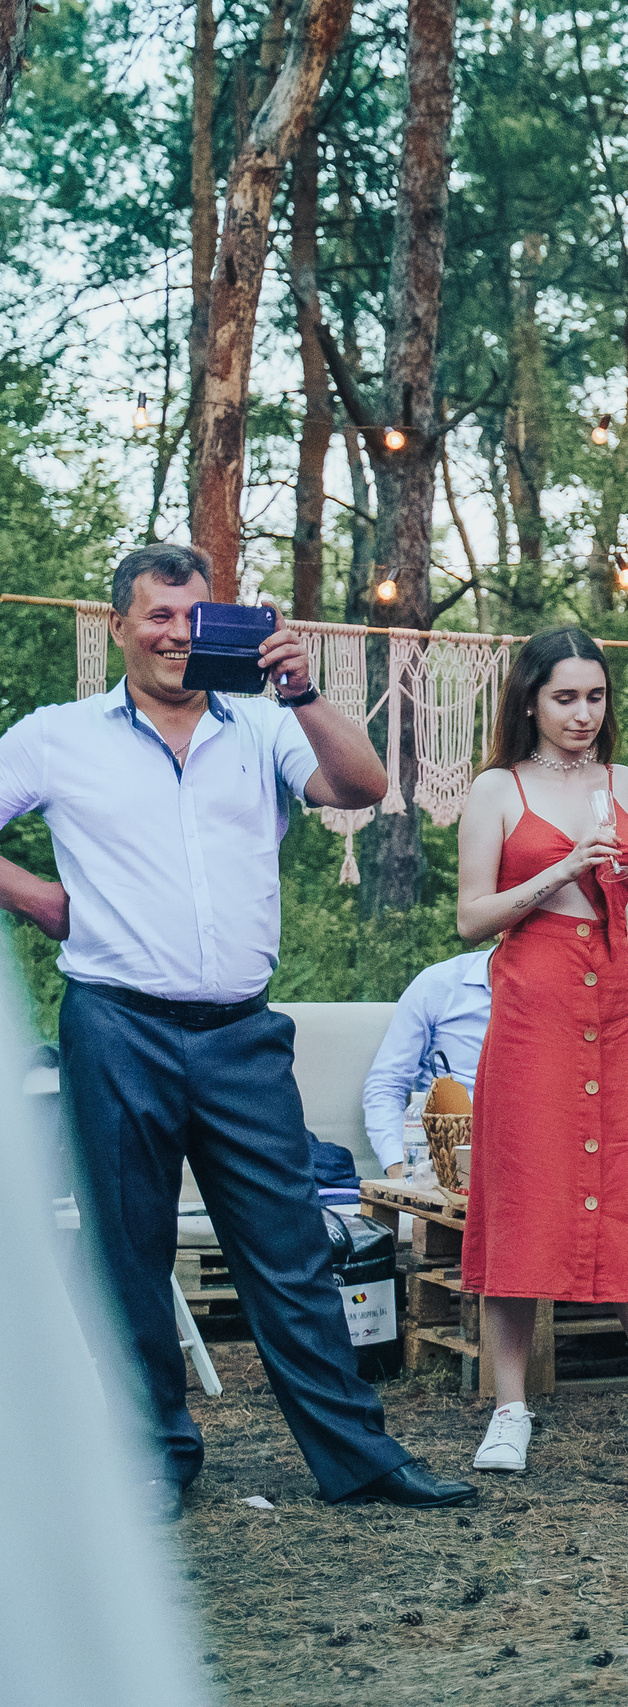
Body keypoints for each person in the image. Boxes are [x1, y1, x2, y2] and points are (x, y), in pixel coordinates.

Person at [0, 541, 474, 1516]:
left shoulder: (263, 728)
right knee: (128, 1253)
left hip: (241, 1036)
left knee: (293, 1249)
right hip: (116, 1027)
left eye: (194, 615)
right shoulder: (59, 735)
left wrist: (299, 691)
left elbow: (364, 788)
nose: (177, 634)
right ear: (120, 626)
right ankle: (155, 1458)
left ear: (221, 624)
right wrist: (39, 900)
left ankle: (358, 1461)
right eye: (158, 616)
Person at [453, 627, 628, 1473]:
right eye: (565, 696)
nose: (582, 713)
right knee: (524, 1190)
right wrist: (563, 869)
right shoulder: (497, 789)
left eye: (595, 696)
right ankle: (510, 1409)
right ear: (530, 699)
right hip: (534, 1000)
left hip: (617, 998)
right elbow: (471, 917)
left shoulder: (625, 783)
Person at [360, 946, 492, 1176]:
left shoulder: (569, 992)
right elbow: (387, 1084)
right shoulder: (440, 983)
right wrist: (399, 1167)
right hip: (444, 1164)